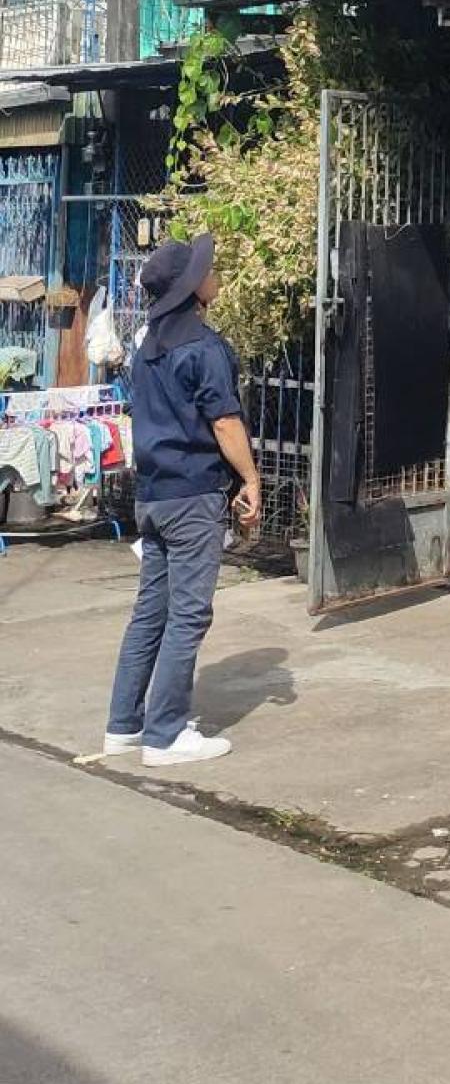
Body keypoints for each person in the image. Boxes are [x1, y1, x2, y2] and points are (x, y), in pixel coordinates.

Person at [103, 234, 261, 768]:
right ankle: (165, 734)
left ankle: (124, 724)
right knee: (189, 615)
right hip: (193, 496)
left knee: (151, 612)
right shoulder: (204, 348)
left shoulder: (147, 346)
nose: (213, 275)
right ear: (193, 288)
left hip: (152, 495)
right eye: (206, 271)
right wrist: (250, 478)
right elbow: (224, 422)